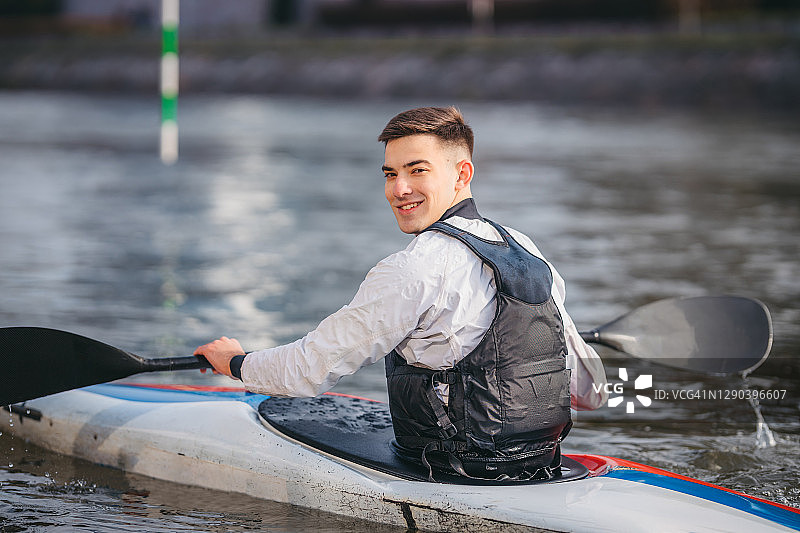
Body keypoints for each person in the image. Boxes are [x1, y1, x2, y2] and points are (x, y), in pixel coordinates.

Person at [195, 106, 607, 481]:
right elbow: (590, 393)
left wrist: (235, 362)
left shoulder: (413, 267)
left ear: (462, 174)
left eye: (417, 170)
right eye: (390, 174)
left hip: (455, 470)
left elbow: (308, 370)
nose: (399, 189)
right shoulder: (526, 250)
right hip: (541, 463)